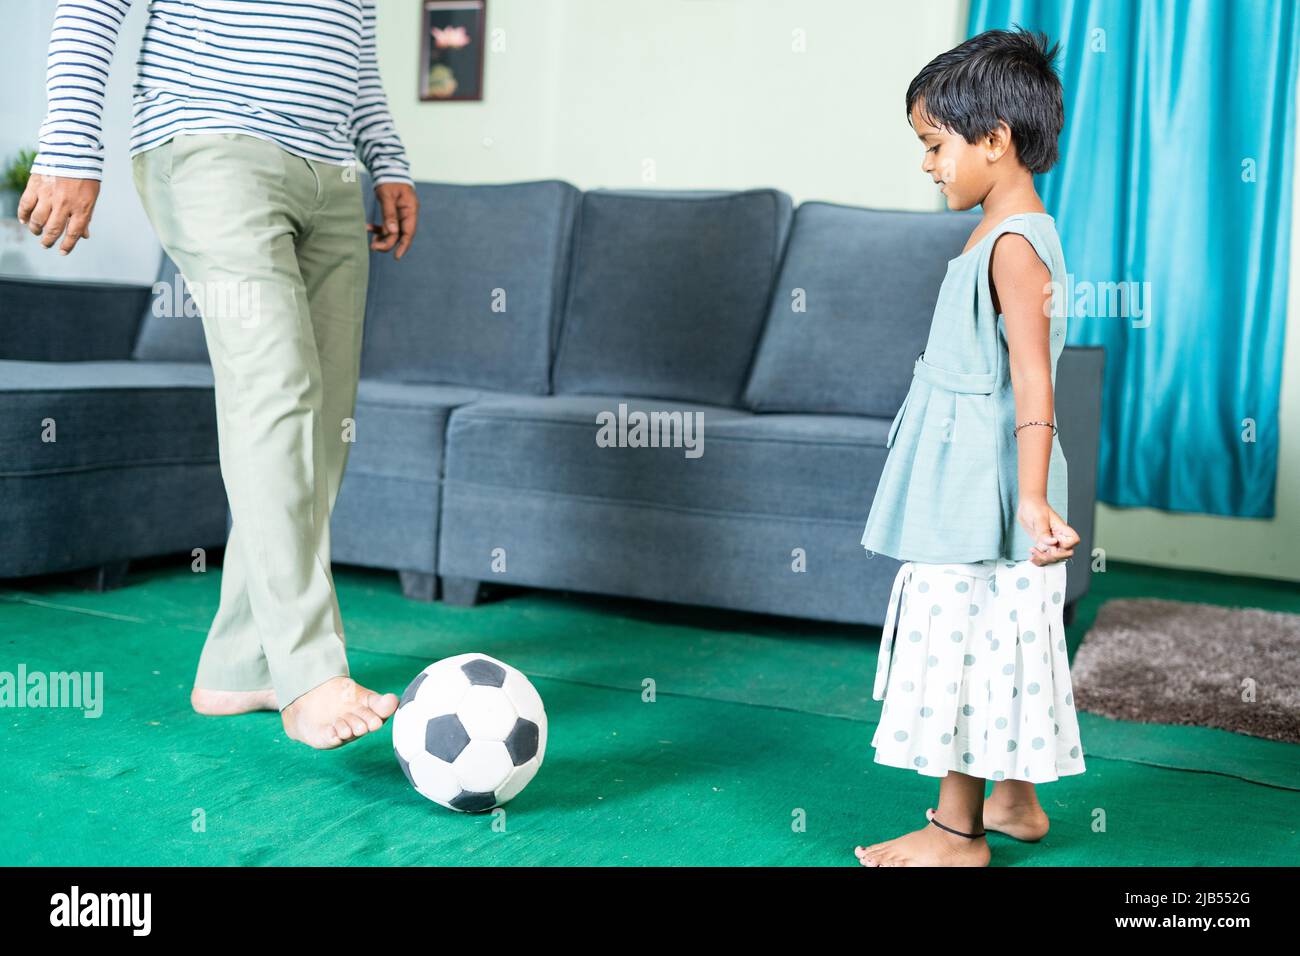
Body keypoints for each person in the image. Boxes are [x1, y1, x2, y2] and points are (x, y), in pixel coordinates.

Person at [18, 0, 420, 750]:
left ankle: (242, 665)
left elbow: (355, 46)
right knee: (277, 385)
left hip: (332, 174)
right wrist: (71, 142)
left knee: (324, 423)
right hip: (212, 145)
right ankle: (308, 673)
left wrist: (385, 158)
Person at [855, 28, 1085, 867]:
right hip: (969, 481)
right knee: (1004, 639)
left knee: (954, 645)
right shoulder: (1004, 232)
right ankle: (1016, 801)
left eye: (934, 145)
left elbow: (1034, 382)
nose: (927, 164)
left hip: (979, 495)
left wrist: (1029, 497)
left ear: (995, 141)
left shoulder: (1014, 247)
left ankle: (957, 833)